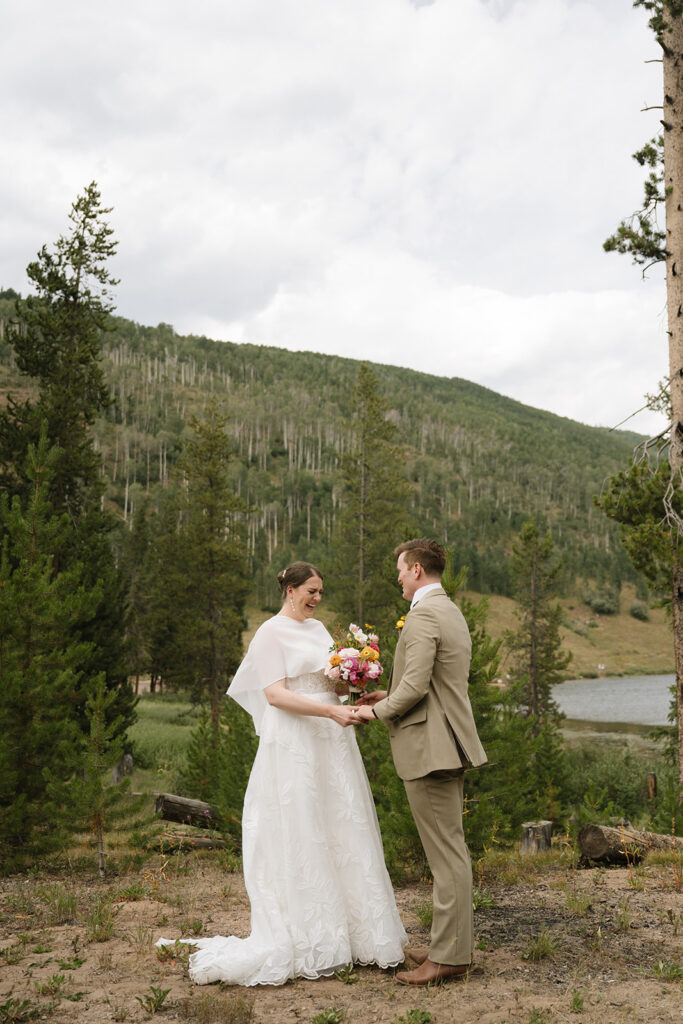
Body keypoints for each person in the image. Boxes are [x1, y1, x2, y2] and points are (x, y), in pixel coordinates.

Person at [157, 561, 406, 986]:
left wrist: (350, 681)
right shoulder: (269, 633)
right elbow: (275, 694)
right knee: (302, 825)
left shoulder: (321, 629)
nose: (316, 598)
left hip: (332, 737)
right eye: (310, 590)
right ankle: (311, 936)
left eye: (321, 592)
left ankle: (362, 936)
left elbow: (328, 681)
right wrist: (330, 709)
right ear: (289, 590)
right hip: (296, 738)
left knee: (342, 824)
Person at [355, 539, 487, 985]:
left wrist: (374, 711)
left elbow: (414, 690)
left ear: (415, 569)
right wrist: (387, 695)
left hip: (432, 748)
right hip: (445, 743)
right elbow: (428, 684)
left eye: (399, 570)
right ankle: (448, 946)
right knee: (449, 851)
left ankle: (449, 958)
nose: (397, 578)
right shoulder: (447, 609)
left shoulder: (425, 613)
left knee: (447, 857)